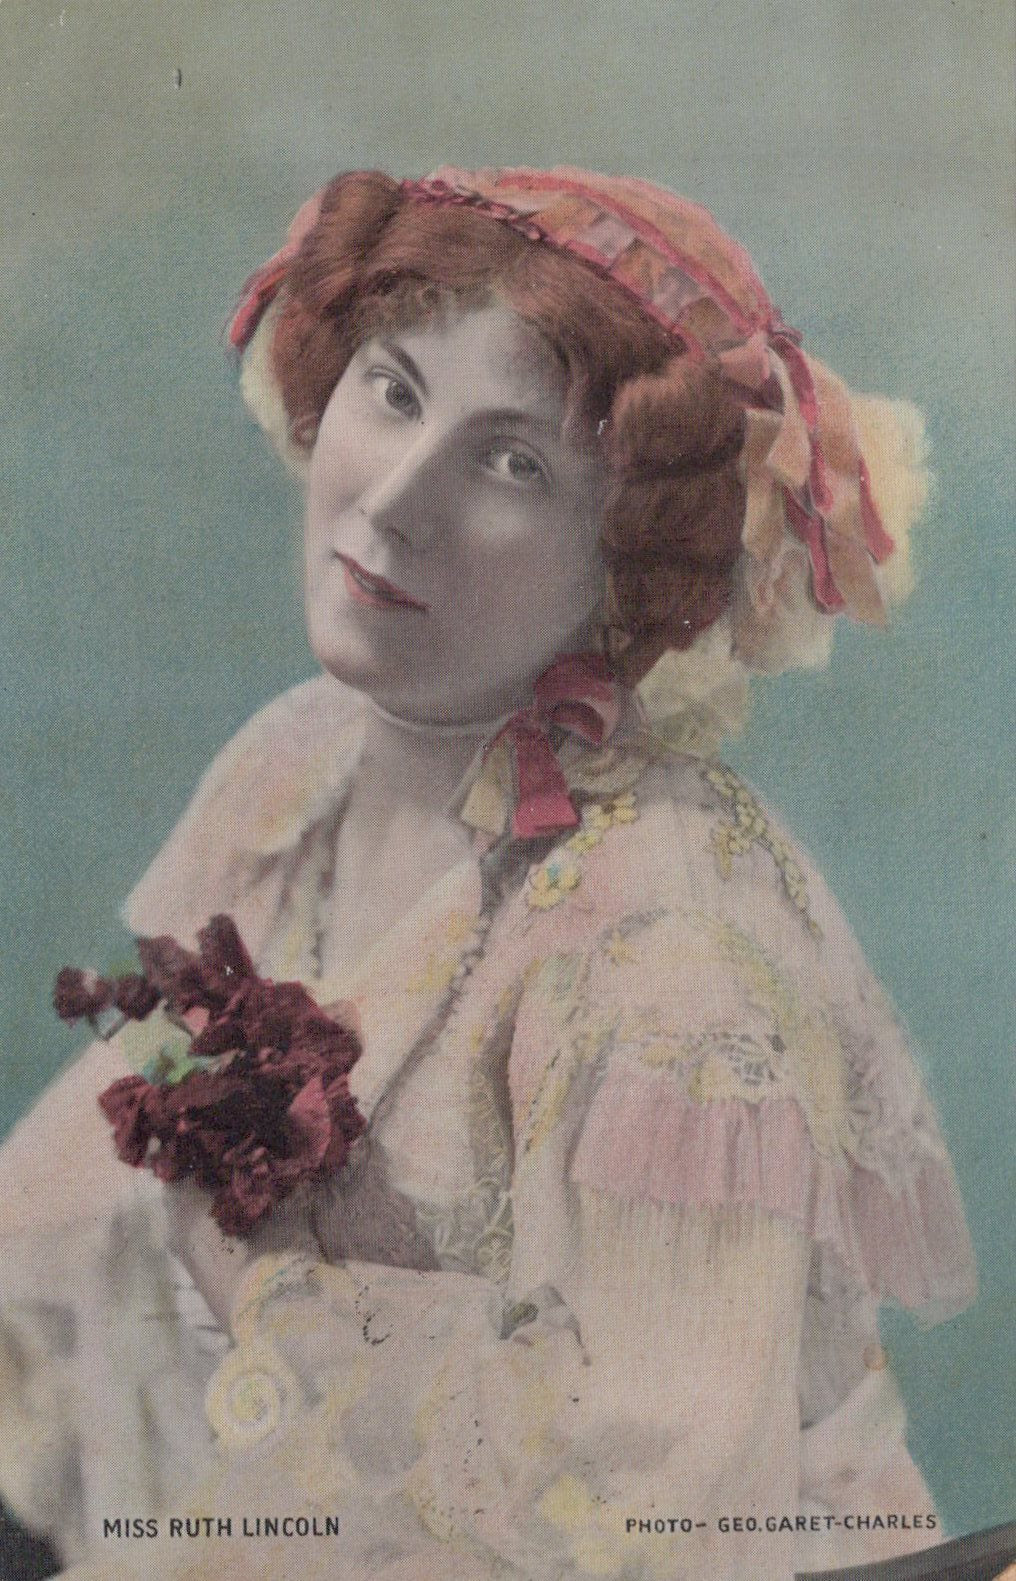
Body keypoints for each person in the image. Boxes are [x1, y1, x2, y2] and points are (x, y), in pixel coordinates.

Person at [0, 166, 976, 1581]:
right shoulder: (312, 757)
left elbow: (652, 1503)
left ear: (628, 562)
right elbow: (65, 1210)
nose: (393, 501)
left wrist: (265, 1303)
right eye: (394, 391)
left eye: (512, 461)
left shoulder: (670, 952)